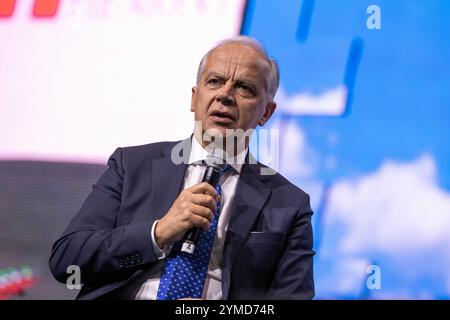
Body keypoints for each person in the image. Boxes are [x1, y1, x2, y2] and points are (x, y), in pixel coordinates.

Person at [49, 36, 314, 300]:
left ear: (266, 113)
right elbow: (67, 260)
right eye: (214, 82)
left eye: (244, 87)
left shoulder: (289, 204)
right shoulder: (131, 165)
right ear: (194, 98)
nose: (225, 95)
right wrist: (159, 232)